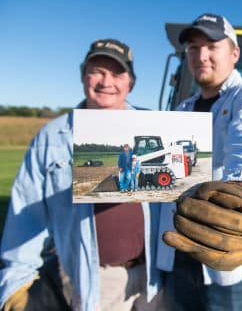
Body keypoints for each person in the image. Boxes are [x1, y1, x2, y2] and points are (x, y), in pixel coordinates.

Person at [0, 39, 164, 310]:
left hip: (156, 275)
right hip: (99, 280)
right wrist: (16, 283)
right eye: (97, 70)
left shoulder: (157, 127)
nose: (106, 81)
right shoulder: (52, 139)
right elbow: (25, 216)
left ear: (130, 83)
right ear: (83, 76)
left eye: (117, 73)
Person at [157, 13, 242, 310]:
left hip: (226, 265)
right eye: (194, 48)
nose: (201, 56)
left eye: (212, 46)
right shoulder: (182, 110)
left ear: (234, 53)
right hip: (176, 256)